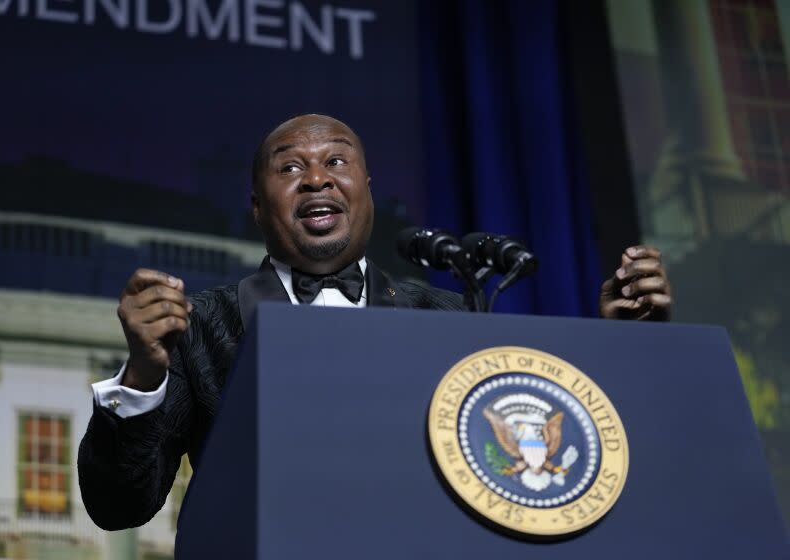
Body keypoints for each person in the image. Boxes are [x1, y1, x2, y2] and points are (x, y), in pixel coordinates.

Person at [77, 114, 672, 530]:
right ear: (257, 207)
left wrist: (619, 348)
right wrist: (141, 375)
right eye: (290, 168)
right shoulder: (201, 325)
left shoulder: (450, 314)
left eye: (337, 160)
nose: (316, 177)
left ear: (364, 188)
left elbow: (527, 467)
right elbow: (118, 507)